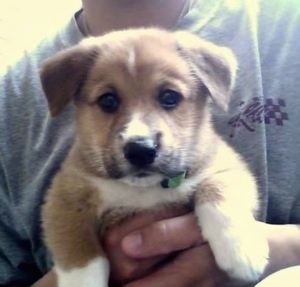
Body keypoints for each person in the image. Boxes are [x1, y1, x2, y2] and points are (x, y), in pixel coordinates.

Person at [0, 0, 300, 286]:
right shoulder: (12, 99)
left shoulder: (288, 27)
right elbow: (64, 209)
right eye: (109, 101)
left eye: (169, 97)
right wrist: (81, 272)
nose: (138, 133)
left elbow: (229, 175)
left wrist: (283, 248)